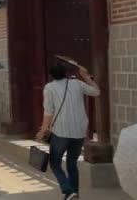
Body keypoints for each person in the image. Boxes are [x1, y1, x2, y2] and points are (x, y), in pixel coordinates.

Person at [36, 63, 100, 200]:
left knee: (54, 163)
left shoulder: (49, 88)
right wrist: (85, 76)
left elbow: (48, 112)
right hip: (79, 131)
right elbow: (96, 92)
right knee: (72, 163)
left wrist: (42, 131)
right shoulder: (77, 84)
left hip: (61, 132)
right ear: (65, 73)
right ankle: (74, 194)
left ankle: (68, 191)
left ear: (51, 75)